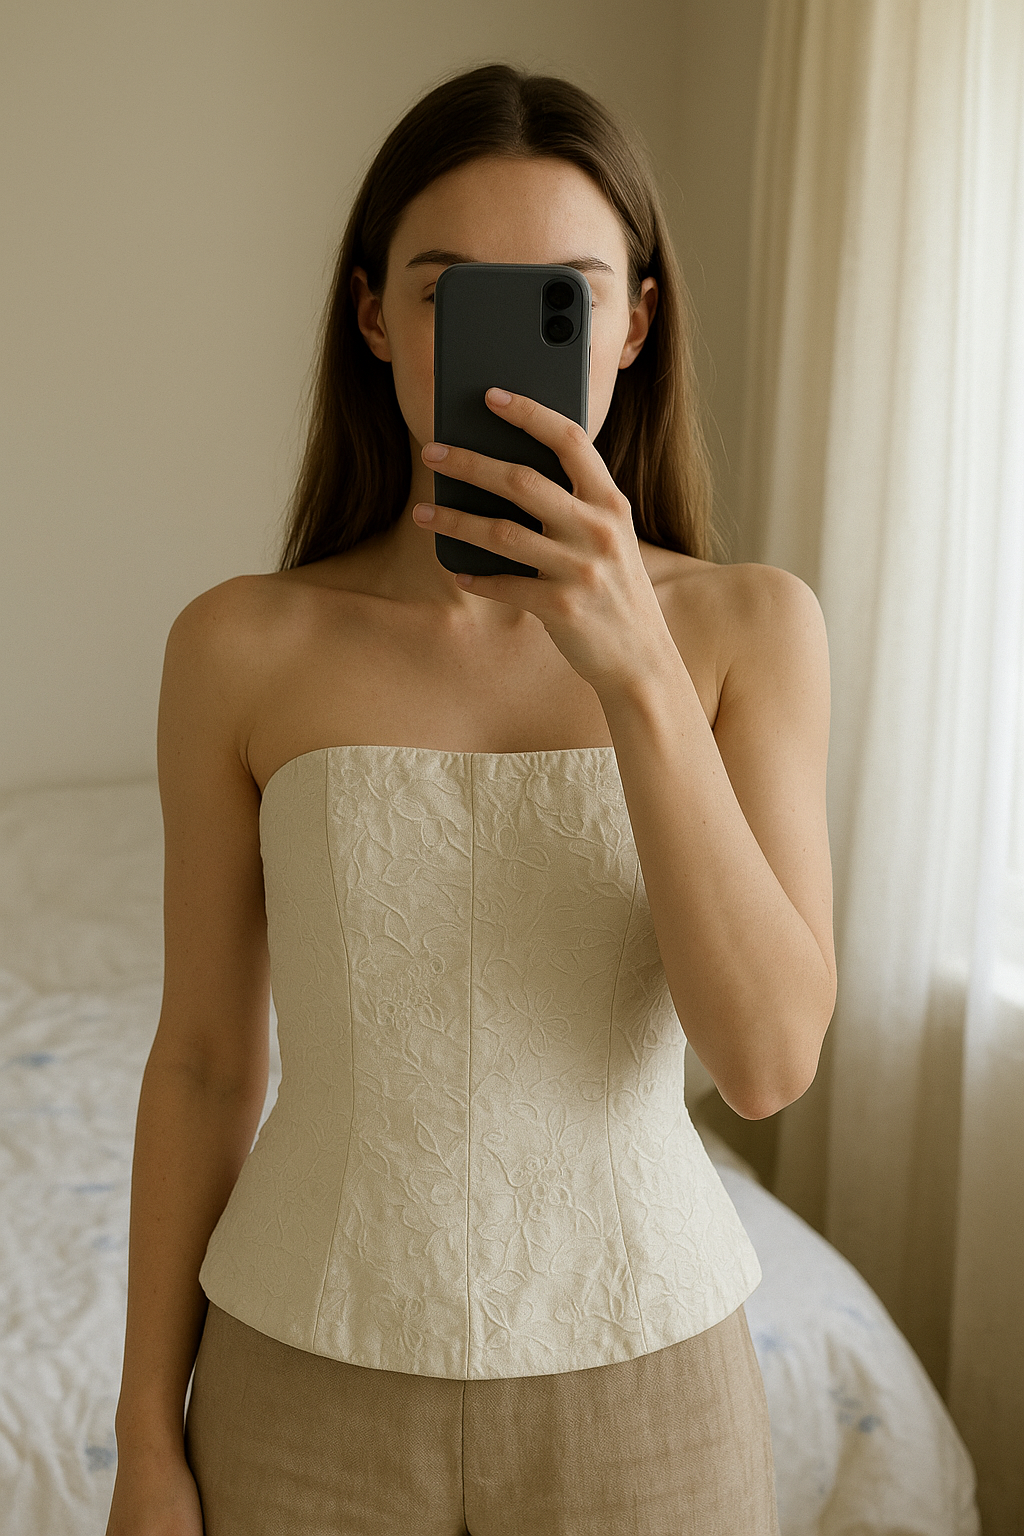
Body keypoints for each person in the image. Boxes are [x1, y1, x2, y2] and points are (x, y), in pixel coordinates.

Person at [105, 61, 836, 1536]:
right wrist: (142, 1442)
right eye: (447, 292)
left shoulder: (750, 630)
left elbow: (764, 1063)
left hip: (651, 1384)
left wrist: (636, 672)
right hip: (299, 1379)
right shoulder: (237, 646)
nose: (497, 348)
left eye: (559, 298)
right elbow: (202, 1064)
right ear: (374, 316)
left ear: (634, 325)